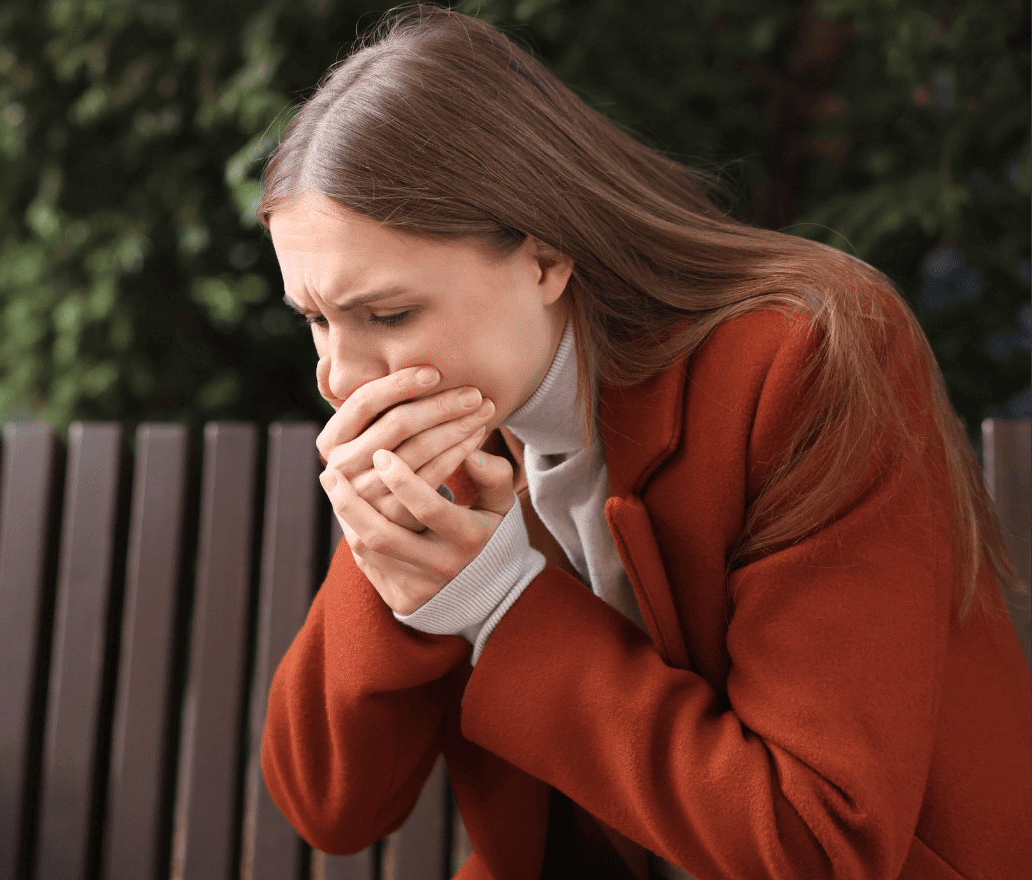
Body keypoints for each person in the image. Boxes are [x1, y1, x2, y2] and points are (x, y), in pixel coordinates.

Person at [256, 6, 1031, 879]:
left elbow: (816, 846)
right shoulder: (461, 431)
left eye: (389, 314)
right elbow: (331, 808)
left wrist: (501, 603)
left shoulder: (800, 362)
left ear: (546, 258)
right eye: (316, 320)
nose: (339, 378)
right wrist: (390, 565)